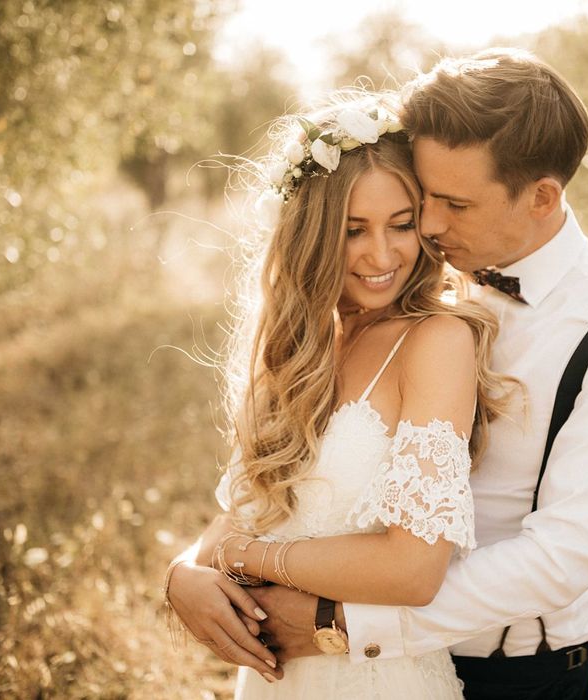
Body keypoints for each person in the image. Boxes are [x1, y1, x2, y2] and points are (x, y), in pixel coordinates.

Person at [169, 50, 588, 700]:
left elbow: (561, 558)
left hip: (511, 670)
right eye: (424, 200)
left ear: (542, 197)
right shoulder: (393, 289)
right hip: (318, 654)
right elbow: (284, 487)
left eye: (453, 204)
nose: (431, 227)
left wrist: (347, 624)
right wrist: (188, 568)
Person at [163, 91, 518, 698]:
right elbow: (239, 517)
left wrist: (247, 559)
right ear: (313, 233)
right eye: (354, 231)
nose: (383, 255)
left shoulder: (436, 341)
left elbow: (413, 570)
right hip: (275, 680)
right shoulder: (295, 349)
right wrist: (182, 575)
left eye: (402, 225)